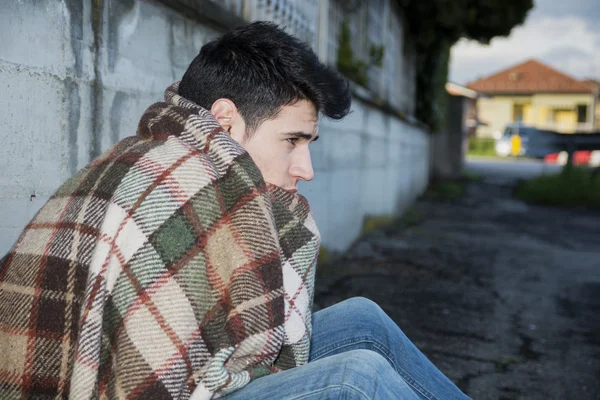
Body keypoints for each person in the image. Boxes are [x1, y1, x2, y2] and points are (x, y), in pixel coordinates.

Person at [0, 22, 469, 400]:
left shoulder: (183, 157)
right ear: (225, 120)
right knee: (354, 378)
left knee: (361, 321)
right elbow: (146, 381)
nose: (305, 169)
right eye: (292, 141)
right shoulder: (181, 185)